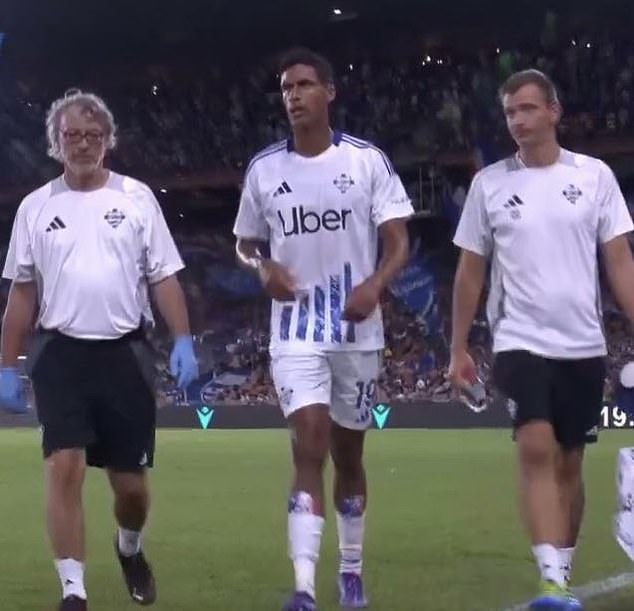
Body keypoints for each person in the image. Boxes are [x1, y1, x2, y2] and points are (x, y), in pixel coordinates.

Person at [0, 90, 198, 611]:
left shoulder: (136, 199)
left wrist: (182, 339)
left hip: (124, 355)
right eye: (72, 135)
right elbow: (22, 291)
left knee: (130, 487)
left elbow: (165, 276)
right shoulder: (36, 208)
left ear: (108, 141)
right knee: (62, 466)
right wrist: (6, 366)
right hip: (60, 353)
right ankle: (73, 591)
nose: (83, 144)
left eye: (93, 135)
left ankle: (129, 547)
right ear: (55, 142)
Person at [233, 48, 412, 611]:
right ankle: (305, 586)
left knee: (349, 457)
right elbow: (244, 242)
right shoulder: (265, 169)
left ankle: (351, 570)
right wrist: (261, 267)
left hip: (358, 331)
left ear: (329, 92)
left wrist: (375, 285)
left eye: (305, 85)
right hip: (294, 332)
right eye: (286, 88)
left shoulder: (365, 162)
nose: (294, 96)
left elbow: (399, 240)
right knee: (307, 447)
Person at [449, 69, 634, 611]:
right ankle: (551, 583)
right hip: (519, 339)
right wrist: (459, 346)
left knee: (570, 463)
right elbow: (469, 271)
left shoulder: (595, 177)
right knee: (535, 447)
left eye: (528, 109)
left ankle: (563, 574)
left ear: (554, 111)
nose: (519, 121)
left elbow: (619, 259)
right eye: (510, 112)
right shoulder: (490, 185)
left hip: (583, 343)